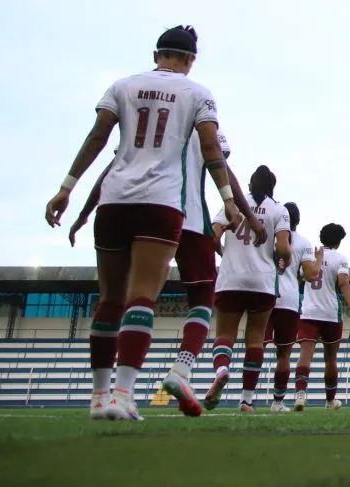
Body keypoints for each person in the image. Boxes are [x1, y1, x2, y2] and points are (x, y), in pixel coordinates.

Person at [44, 25, 241, 420]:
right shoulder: (198, 94)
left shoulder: (122, 86)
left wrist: (67, 188)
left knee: (109, 301)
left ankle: (99, 397)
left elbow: (99, 139)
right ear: (190, 60)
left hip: (115, 198)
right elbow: (211, 148)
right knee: (142, 299)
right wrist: (229, 201)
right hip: (163, 201)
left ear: (156, 54)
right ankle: (123, 393)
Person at [66, 137, 265, 418]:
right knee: (198, 299)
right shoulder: (198, 119)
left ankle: (106, 396)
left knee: (120, 298)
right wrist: (246, 214)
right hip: (188, 219)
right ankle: (180, 370)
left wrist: (83, 212)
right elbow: (221, 165)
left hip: (135, 212)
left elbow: (110, 168)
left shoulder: (140, 119)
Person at [204, 166, 291, 413]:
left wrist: (223, 252)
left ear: (249, 185)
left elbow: (213, 235)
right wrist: (280, 258)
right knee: (255, 339)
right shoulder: (279, 210)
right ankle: (247, 400)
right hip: (262, 282)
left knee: (225, 335)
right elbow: (283, 248)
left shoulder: (230, 205)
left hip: (231, 278)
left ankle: (221, 370)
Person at [293, 223, 350, 411]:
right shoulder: (340, 259)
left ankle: (300, 394)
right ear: (338, 241)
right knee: (330, 358)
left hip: (308, 311)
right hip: (330, 313)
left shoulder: (310, 256)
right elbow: (343, 284)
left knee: (305, 354)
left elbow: (302, 277)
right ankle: (330, 401)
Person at [266, 202, 321, 412]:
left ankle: (246, 398)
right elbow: (310, 275)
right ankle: (278, 402)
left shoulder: (270, 237)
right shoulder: (304, 243)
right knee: (284, 355)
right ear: (297, 220)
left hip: (265, 293)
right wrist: (318, 260)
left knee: (255, 344)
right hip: (287, 300)